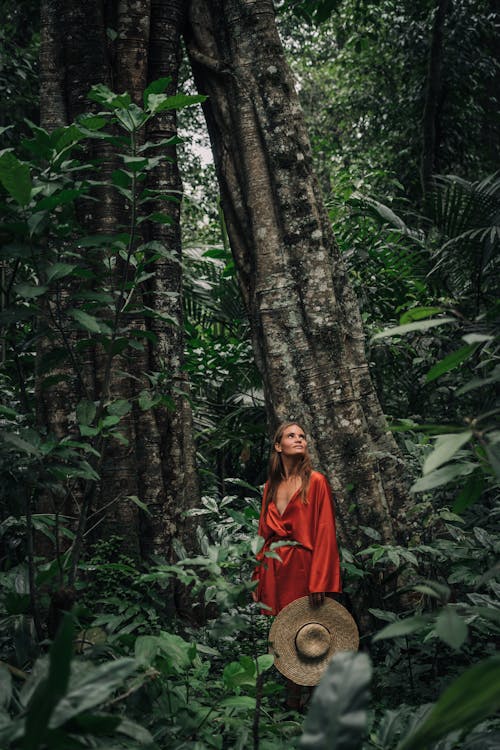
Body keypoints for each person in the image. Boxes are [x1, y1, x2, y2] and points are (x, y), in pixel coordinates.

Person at [252, 421, 342, 708]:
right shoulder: (270, 486)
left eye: (302, 435)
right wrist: (258, 575)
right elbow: (262, 535)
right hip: (276, 568)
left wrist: (321, 580)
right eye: (291, 436)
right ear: (278, 446)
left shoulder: (316, 481)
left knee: (311, 631)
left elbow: (325, 532)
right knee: (285, 633)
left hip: (304, 567)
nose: (299, 439)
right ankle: (292, 701)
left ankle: (317, 699)